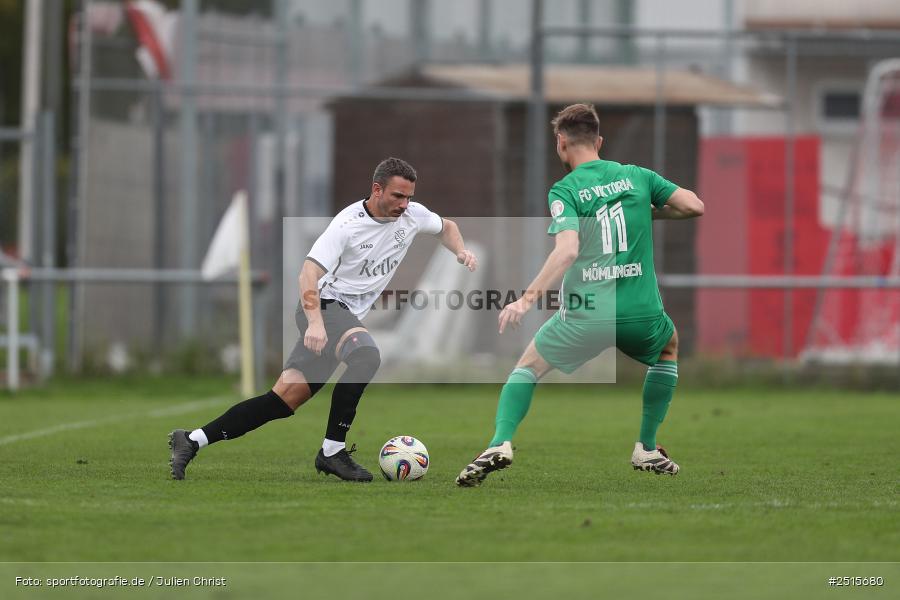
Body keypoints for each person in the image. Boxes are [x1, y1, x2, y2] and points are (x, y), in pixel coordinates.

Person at [170, 157, 477, 482]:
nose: (405, 204)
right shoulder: (347, 225)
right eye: (397, 196)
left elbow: (448, 228)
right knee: (366, 356)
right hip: (323, 308)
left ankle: (191, 440)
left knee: (282, 401)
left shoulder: (412, 216)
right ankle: (332, 452)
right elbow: (308, 273)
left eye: (409, 197)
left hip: (342, 316)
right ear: (377, 189)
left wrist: (459, 251)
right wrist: (316, 323)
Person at [456, 104, 704, 487]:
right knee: (667, 347)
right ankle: (647, 447)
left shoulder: (566, 190)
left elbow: (567, 250)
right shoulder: (636, 176)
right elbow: (693, 206)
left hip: (588, 314)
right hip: (641, 312)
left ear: (561, 143)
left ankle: (499, 443)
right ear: (599, 141)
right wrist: (646, 211)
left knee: (528, 367)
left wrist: (526, 300)